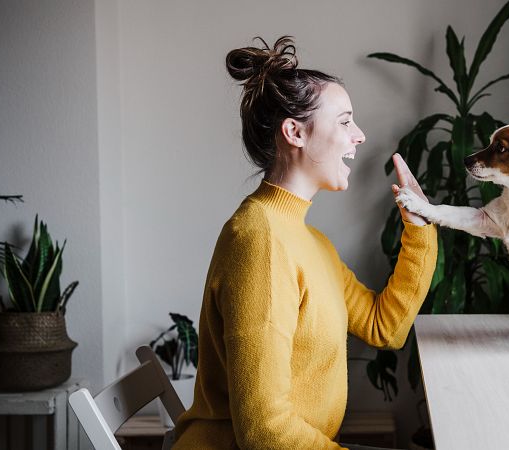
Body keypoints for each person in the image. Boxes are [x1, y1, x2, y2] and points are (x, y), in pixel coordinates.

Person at [172, 36, 437, 450]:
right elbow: (264, 433)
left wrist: (420, 229)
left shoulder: (307, 240)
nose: (360, 135)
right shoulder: (259, 241)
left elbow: (385, 328)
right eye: (345, 121)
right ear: (294, 132)